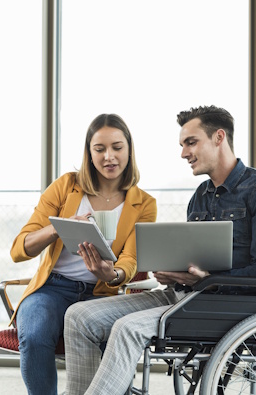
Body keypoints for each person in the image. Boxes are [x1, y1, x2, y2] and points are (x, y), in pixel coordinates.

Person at [63, 105, 256, 395]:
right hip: (186, 294)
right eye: (183, 144)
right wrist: (174, 271)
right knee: (77, 316)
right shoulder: (201, 196)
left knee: (127, 328)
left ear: (219, 137)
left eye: (191, 142)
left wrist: (206, 280)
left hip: (229, 304)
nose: (184, 153)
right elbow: (195, 257)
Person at [9, 113, 157, 395]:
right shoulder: (66, 186)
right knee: (36, 334)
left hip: (103, 294)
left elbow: (131, 258)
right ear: (89, 153)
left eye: (117, 147)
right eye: (99, 149)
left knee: (115, 344)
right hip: (52, 288)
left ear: (129, 149)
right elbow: (20, 249)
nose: (109, 157)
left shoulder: (143, 204)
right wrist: (58, 229)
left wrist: (112, 274)